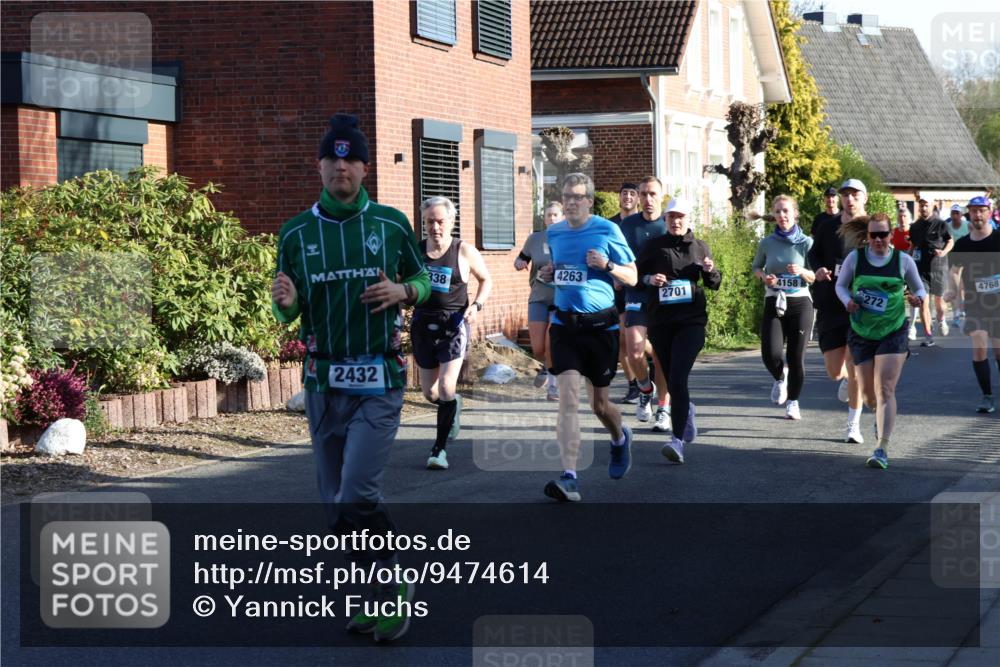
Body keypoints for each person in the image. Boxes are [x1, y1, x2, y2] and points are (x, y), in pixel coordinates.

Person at [271, 113, 430, 641]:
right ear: (319, 166)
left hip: (379, 378)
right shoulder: (295, 232)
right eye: (332, 158)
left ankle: (397, 586)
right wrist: (287, 305)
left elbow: (424, 277)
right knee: (335, 505)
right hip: (323, 383)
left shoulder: (390, 224)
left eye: (351, 159)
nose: (341, 166)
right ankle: (379, 599)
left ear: (365, 168)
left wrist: (404, 293)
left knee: (356, 493)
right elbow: (289, 308)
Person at [538, 172, 637, 502]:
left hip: (601, 329)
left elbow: (633, 276)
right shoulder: (553, 233)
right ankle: (569, 476)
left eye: (577, 197)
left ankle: (619, 437)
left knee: (600, 405)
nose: (570, 202)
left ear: (590, 201)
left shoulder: (607, 229)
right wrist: (545, 274)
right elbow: (555, 272)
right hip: (565, 327)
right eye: (566, 196)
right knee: (567, 399)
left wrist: (608, 265)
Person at [836, 213, 927, 469]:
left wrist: (917, 299)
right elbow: (841, 286)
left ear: (891, 235)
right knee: (868, 395)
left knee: (885, 388)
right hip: (862, 331)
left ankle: (882, 448)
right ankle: (877, 413)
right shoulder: (855, 259)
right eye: (873, 235)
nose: (878, 240)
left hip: (893, 331)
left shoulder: (903, 261)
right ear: (867, 236)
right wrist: (848, 302)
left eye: (883, 235)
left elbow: (919, 288)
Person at [637, 197, 721, 463]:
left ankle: (677, 441)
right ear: (665, 220)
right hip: (661, 322)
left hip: (691, 321)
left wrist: (710, 270)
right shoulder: (653, 247)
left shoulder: (699, 247)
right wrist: (650, 279)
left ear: (688, 220)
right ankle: (687, 412)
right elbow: (636, 276)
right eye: (671, 217)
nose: (676, 221)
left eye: (680, 217)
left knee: (676, 379)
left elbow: (714, 283)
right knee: (673, 378)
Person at [414, 196, 492, 470]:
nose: (435, 227)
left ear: (451, 222)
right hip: (423, 323)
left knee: (446, 386)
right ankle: (453, 404)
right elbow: (404, 282)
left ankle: (439, 450)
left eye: (440, 221)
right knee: (430, 393)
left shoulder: (464, 250)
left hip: (454, 324)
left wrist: (476, 306)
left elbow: (486, 279)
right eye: (430, 222)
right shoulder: (416, 250)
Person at [809, 179, 868, 443]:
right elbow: (814, 255)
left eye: (855, 195)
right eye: (846, 195)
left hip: (860, 306)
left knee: (856, 367)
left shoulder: (872, 229)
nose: (849, 199)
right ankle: (845, 378)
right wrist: (819, 269)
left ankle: (853, 425)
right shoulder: (827, 227)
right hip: (831, 303)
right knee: (835, 372)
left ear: (864, 198)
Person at [751, 195, 815, 420]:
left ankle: (793, 402)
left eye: (786, 211)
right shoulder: (766, 243)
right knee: (770, 353)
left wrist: (802, 272)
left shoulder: (806, 243)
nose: (782, 216)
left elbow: (814, 276)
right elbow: (757, 267)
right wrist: (764, 277)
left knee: (796, 356)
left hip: (800, 303)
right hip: (775, 300)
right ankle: (780, 376)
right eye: (778, 212)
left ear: (795, 213)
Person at [620, 176, 672, 431]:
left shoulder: (670, 223)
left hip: (665, 299)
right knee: (634, 350)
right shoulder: (627, 226)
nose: (647, 199)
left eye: (652, 194)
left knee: (662, 356)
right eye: (643, 194)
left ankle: (663, 407)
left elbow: (687, 254)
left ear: (661, 195)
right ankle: (644, 387)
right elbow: (617, 258)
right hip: (637, 293)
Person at [945, 196, 1000, 414]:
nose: (978, 215)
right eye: (974, 211)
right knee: (979, 348)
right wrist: (952, 291)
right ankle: (987, 396)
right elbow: (954, 272)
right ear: (970, 213)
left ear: (989, 212)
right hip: (976, 304)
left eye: (981, 210)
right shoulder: (963, 245)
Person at [515, 202, 560, 400]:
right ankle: (545, 366)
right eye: (549, 215)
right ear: (544, 218)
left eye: (556, 215)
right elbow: (521, 258)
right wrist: (520, 263)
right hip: (538, 297)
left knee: (552, 345)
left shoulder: (568, 238)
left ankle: (553, 387)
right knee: (539, 348)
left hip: (561, 299)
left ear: (563, 217)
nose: (552, 219)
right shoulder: (535, 239)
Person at [610, 183, 641, 404]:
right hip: (616, 286)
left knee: (638, 338)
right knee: (621, 337)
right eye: (624, 193)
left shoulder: (643, 222)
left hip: (639, 286)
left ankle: (651, 366)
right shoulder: (610, 224)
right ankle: (633, 385)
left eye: (632, 193)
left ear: (637, 198)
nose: (627, 197)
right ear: (619, 197)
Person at [909, 194, 954, 345]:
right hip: (921, 269)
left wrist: (944, 252)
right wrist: (907, 261)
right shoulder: (914, 227)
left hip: (938, 267)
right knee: (923, 302)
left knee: (939, 303)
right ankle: (928, 335)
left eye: (926, 205)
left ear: (932, 205)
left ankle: (941, 319)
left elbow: (950, 241)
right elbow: (913, 246)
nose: (923, 208)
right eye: (921, 205)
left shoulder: (941, 224)